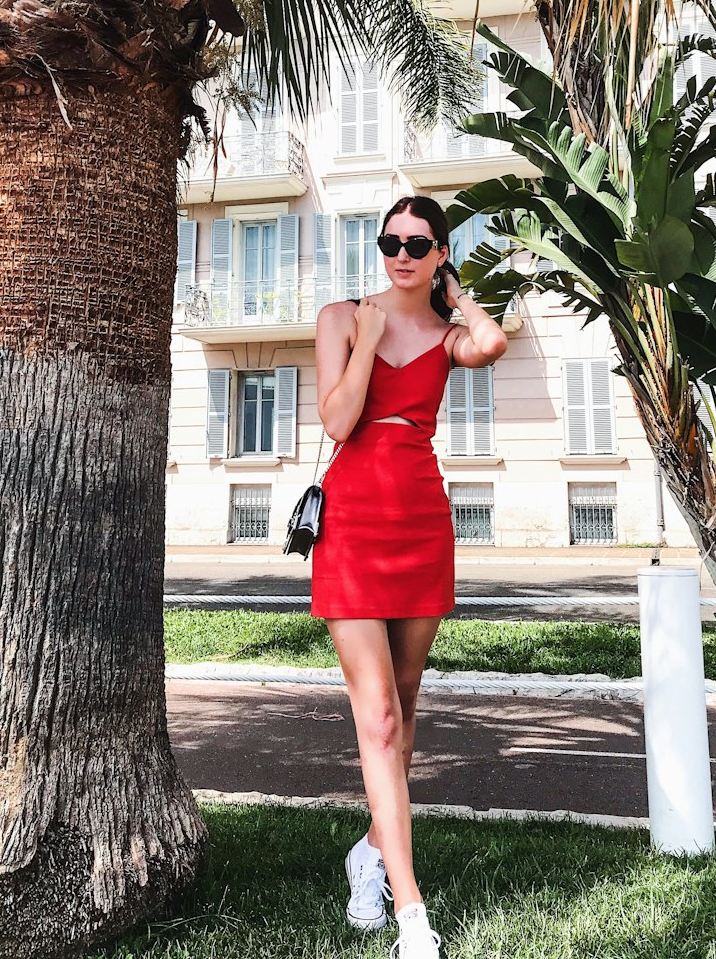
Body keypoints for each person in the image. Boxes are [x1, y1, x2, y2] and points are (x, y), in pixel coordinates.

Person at [312, 195, 509, 959]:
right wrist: (366, 340)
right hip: (354, 527)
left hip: (422, 523)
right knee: (381, 719)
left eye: (417, 243)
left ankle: (370, 852)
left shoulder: (447, 333)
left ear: (438, 253)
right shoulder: (340, 317)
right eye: (389, 239)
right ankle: (411, 913)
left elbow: (492, 342)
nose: (399, 252)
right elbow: (337, 421)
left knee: (406, 701)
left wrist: (456, 296)